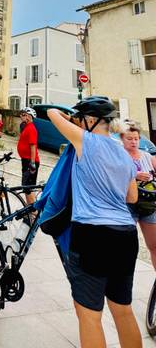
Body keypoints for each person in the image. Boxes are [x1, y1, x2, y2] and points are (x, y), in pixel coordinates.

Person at [48, 97, 141, 348]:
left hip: (92, 234)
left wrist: (71, 120)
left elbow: (52, 113)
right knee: (123, 311)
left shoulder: (84, 141)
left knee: (89, 315)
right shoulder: (123, 154)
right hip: (125, 235)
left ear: (90, 120)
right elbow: (131, 196)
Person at [120, 119, 156, 269]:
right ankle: (122, 282)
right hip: (127, 205)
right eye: (129, 139)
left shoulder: (147, 156)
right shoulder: (118, 155)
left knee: (154, 246)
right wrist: (134, 175)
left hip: (148, 204)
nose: (133, 142)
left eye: (136, 139)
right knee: (125, 247)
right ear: (122, 138)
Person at [18, 107, 40, 205]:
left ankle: (33, 213)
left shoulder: (31, 128)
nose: (20, 116)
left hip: (30, 161)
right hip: (25, 160)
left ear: (28, 116)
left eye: (23, 114)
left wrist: (32, 163)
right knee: (26, 187)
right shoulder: (26, 127)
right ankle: (29, 211)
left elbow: (33, 146)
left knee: (28, 188)